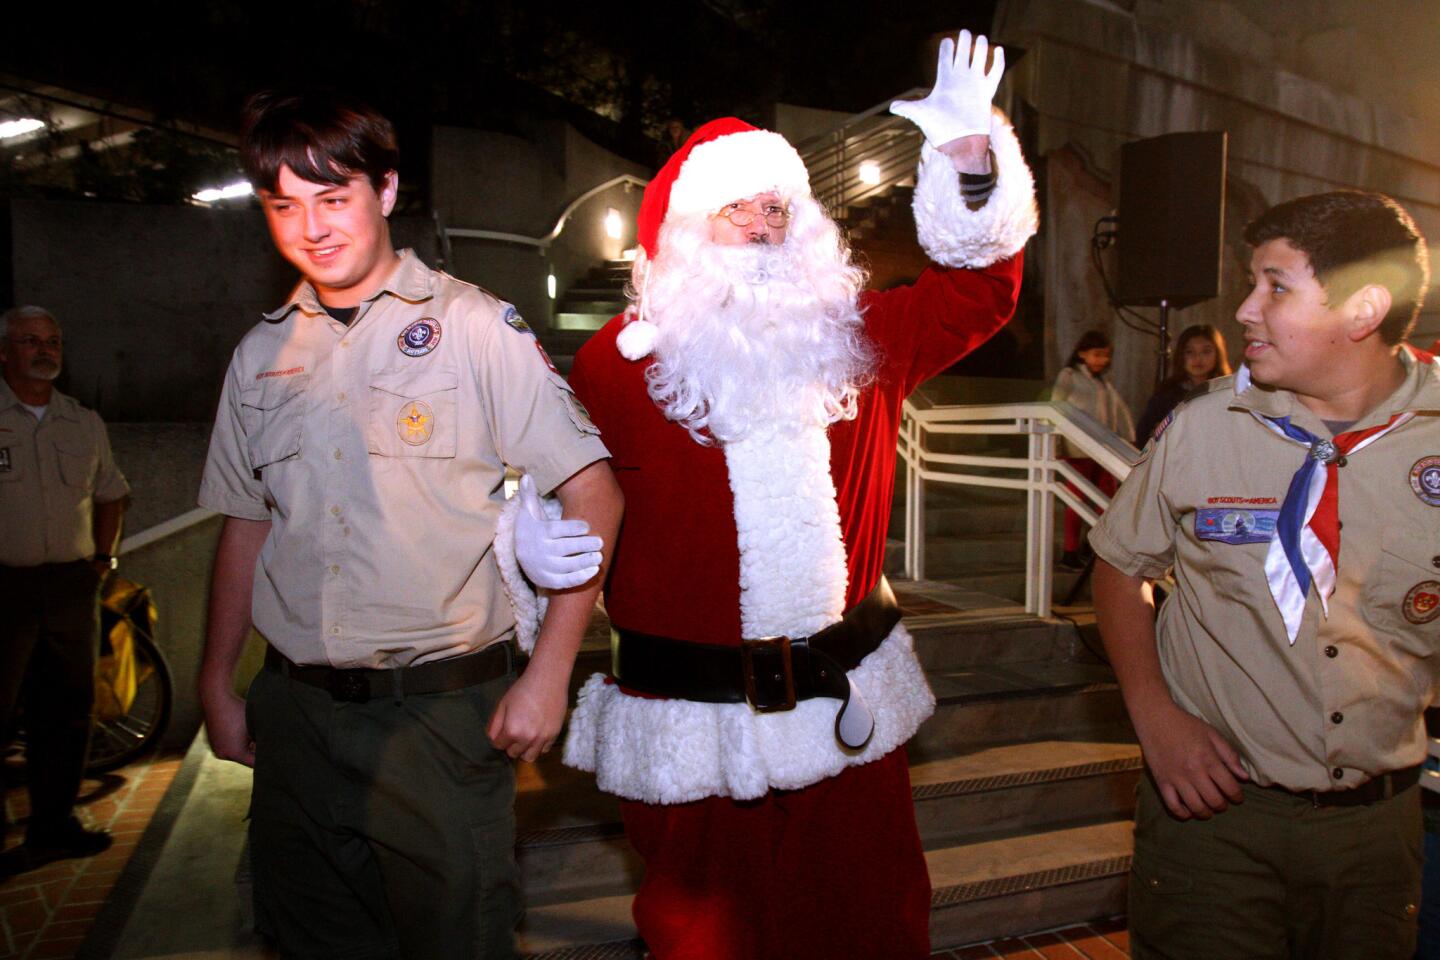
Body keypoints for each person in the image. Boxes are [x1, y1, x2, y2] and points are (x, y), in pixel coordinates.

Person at [516, 31, 1036, 959]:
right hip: (687, 735)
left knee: (870, 929)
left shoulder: (861, 335)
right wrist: (529, 553)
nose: (761, 224)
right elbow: (561, 502)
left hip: (848, 717)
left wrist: (969, 162)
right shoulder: (612, 367)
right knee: (700, 941)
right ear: (683, 235)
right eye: (735, 209)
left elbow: (981, 292)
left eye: (778, 207)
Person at [196, 91, 622, 959]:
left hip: (436, 714)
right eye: (284, 205)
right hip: (297, 717)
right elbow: (245, 525)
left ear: (386, 191)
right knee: (310, 937)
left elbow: (596, 493)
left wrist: (548, 674)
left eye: (333, 197)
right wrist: (215, 680)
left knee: (456, 940)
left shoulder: (472, 326)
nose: (310, 227)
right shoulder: (259, 356)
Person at [1090, 190, 1435, 960]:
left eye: (1276, 286)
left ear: (1361, 311)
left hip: (1379, 833)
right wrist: (1153, 716)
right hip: (1219, 820)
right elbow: (1118, 565)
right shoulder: (1209, 428)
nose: (1246, 309)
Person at [0, 305, 128, 869]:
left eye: (52, 340)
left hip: (71, 587)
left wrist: (102, 560)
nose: (44, 349)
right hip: (4, 590)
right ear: (5, 351)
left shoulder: (83, 422)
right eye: (30, 340)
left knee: (68, 713)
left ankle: (53, 826)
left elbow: (110, 494)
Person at [1051, 329, 1133, 569]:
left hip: (1103, 449)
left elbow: (1119, 411)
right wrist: (1056, 441)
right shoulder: (1069, 375)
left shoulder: (1103, 383)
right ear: (1082, 353)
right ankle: (1070, 551)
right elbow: (1056, 404)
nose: (1102, 361)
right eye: (1097, 355)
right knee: (1075, 500)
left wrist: (1127, 438)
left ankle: (1095, 546)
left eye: (1106, 356)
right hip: (1077, 449)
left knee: (1106, 500)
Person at [1133, 324, 1231, 443]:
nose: (1198, 358)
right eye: (1190, 352)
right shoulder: (1166, 394)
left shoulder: (1228, 392)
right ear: (1181, 355)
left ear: (1218, 354)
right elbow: (1144, 436)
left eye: (1206, 351)